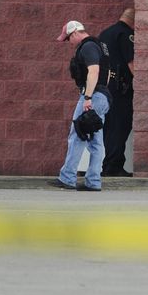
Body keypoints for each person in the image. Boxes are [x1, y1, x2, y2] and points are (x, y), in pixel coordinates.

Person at [49, 20, 111, 191]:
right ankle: (93, 182)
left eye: (69, 38)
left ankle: (67, 178)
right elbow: (106, 75)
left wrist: (88, 97)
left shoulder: (88, 46)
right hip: (103, 96)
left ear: (75, 32)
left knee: (77, 134)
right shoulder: (100, 45)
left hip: (93, 96)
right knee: (96, 141)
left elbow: (94, 71)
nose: (69, 42)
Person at [99, 8, 135, 177]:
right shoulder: (126, 34)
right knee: (120, 126)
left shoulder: (105, 33)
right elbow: (131, 63)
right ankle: (113, 166)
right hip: (121, 87)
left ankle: (109, 164)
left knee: (109, 126)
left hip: (106, 86)